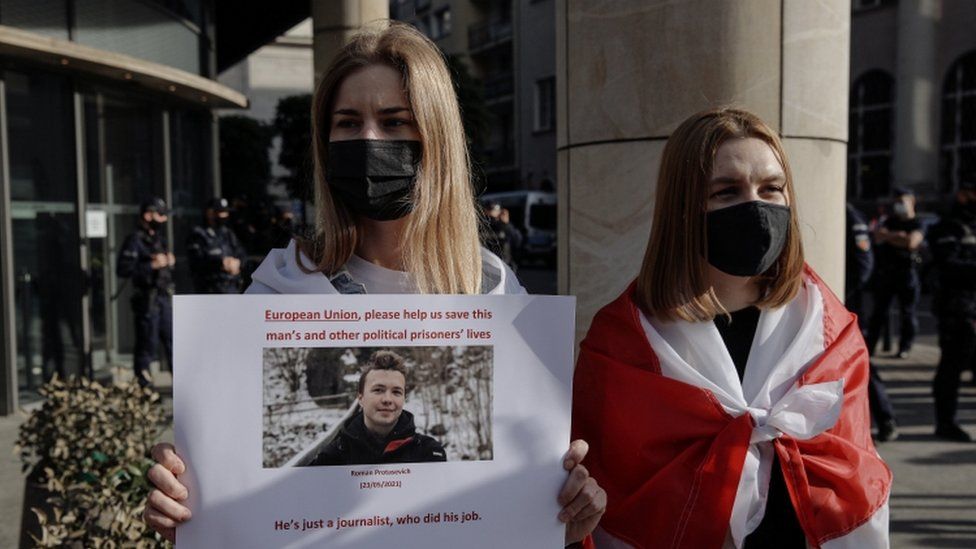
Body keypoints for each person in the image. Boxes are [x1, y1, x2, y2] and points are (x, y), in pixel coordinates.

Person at [143, 22, 604, 548]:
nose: (368, 139)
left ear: (436, 138)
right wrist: (185, 489)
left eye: (393, 121)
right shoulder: (278, 291)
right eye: (347, 122)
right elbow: (234, 481)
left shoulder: (496, 294)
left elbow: (509, 507)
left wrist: (561, 513)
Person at [572, 108, 891, 548]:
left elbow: (855, 474)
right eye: (727, 192)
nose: (755, 207)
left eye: (771, 188)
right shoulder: (621, 343)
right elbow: (602, 495)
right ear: (684, 208)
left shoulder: (831, 334)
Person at [305, 350, 446, 466]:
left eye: (396, 392)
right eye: (378, 390)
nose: (387, 400)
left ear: (404, 399)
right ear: (360, 398)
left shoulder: (429, 454)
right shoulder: (333, 457)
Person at [927, 178, 976, 442]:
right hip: (957, 309)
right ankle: (946, 422)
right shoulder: (948, 226)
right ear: (964, 194)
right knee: (952, 367)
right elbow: (948, 266)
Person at [847, 203, 898, 441]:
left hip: (848, 307)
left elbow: (863, 265)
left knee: (862, 365)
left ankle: (885, 419)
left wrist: (839, 295)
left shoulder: (849, 213)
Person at [117, 197, 175, 388]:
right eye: (160, 215)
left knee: (173, 343)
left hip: (163, 298)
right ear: (148, 215)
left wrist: (168, 261)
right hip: (147, 300)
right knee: (147, 347)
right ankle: (145, 389)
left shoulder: (158, 239)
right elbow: (123, 269)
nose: (163, 220)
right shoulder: (135, 240)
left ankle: (181, 387)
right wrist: (150, 265)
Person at [865, 188, 924, 359]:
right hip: (887, 273)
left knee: (908, 313)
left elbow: (912, 242)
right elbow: (877, 236)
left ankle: (904, 348)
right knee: (879, 313)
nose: (898, 205)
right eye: (897, 202)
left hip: (907, 274)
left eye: (902, 201)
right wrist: (898, 236)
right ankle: (870, 347)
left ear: (912, 202)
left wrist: (890, 237)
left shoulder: (917, 223)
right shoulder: (890, 221)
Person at [185, 197, 246, 294]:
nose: (225, 215)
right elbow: (196, 262)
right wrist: (221, 264)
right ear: (210, 213)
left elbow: (241, 253)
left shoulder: (228, 233)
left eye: (226, 212)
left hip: (231, 287)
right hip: (209, 290)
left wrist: (238, 263)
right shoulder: (198, 234)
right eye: (221, 212)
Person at [480, 200, 522, 270]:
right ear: (484, 211)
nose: (492, 215)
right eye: (489, 210)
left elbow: (518, 241)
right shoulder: (481, 227)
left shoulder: (505, 227)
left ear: (500, 212)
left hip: (504, 266)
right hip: (485, 266)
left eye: (495, 210)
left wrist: (506, 224)